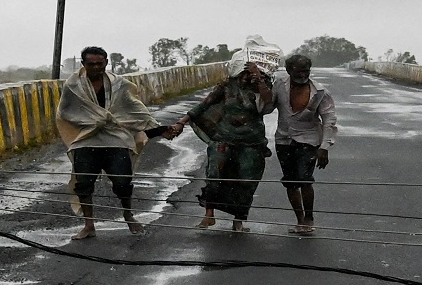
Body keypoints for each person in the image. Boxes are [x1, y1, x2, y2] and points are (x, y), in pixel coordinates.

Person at [56, 46, 177, 239]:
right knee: (84, 183)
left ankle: (128, 215)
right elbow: (65, 113)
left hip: (116, 139)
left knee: (122, 181)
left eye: (99, 63)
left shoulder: (119, 85)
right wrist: (93, 121)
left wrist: (158, 129)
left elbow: (136, 110)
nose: (96, 67)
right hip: (87, 139)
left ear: (106, 63)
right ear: (83, 64)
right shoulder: (73, 86)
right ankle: (89, 225)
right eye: (91, 64)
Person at [179, 39, 280, 233]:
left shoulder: (263, 86)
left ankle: (239, 221)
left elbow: (268, 102)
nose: (245, 77)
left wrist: (258, 78)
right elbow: (205, 104)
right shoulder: (226, 86)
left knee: (246, 180)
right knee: (215, 174)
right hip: (224, 138)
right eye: (243, 73)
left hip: (251, 142)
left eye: (248, 73)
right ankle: (209, 215)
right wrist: (181, 121)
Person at [271, 54, 338, 235]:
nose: (303, 74)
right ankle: (299, 219)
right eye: (298, 71)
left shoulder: (320, 92)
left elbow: (329, 120)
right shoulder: (279, 85)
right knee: (291, 182)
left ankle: (309, 218)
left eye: (306, 71)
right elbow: (266, 107)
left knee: (305, 179)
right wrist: (261, 85)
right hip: (283, 140)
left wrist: (324, 147)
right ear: (288, 70)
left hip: (308, 140)